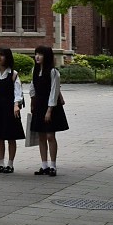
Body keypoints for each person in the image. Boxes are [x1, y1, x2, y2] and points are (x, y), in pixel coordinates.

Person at [29, 45, 68, 177]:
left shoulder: (53, 72)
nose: (37, 57)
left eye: (40, 54)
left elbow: (54, 91)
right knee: (41, 136)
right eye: (36, 54)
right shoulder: (34, 69)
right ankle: (43, 165)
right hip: (39, 105)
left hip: (50, 106)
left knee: (50, 135)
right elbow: (32, 86)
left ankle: (53, 165)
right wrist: (32, 100)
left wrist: (49, 110)